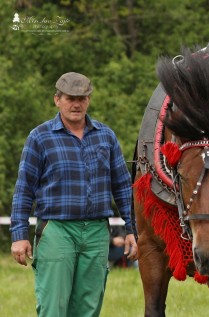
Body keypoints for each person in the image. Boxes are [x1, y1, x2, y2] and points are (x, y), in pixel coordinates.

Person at [10, 72, 138, 317]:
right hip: (57, 231)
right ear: (57, 99)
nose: (76, 104)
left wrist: (132, 229)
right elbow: (24, 188)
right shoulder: (40, 137)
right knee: (53, 307)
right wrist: (19, 235)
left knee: (88, 307)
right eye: (70, 98)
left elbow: (122, 186)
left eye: (82, 98)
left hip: (97, 232)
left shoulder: (106, 136)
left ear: (88, 100)